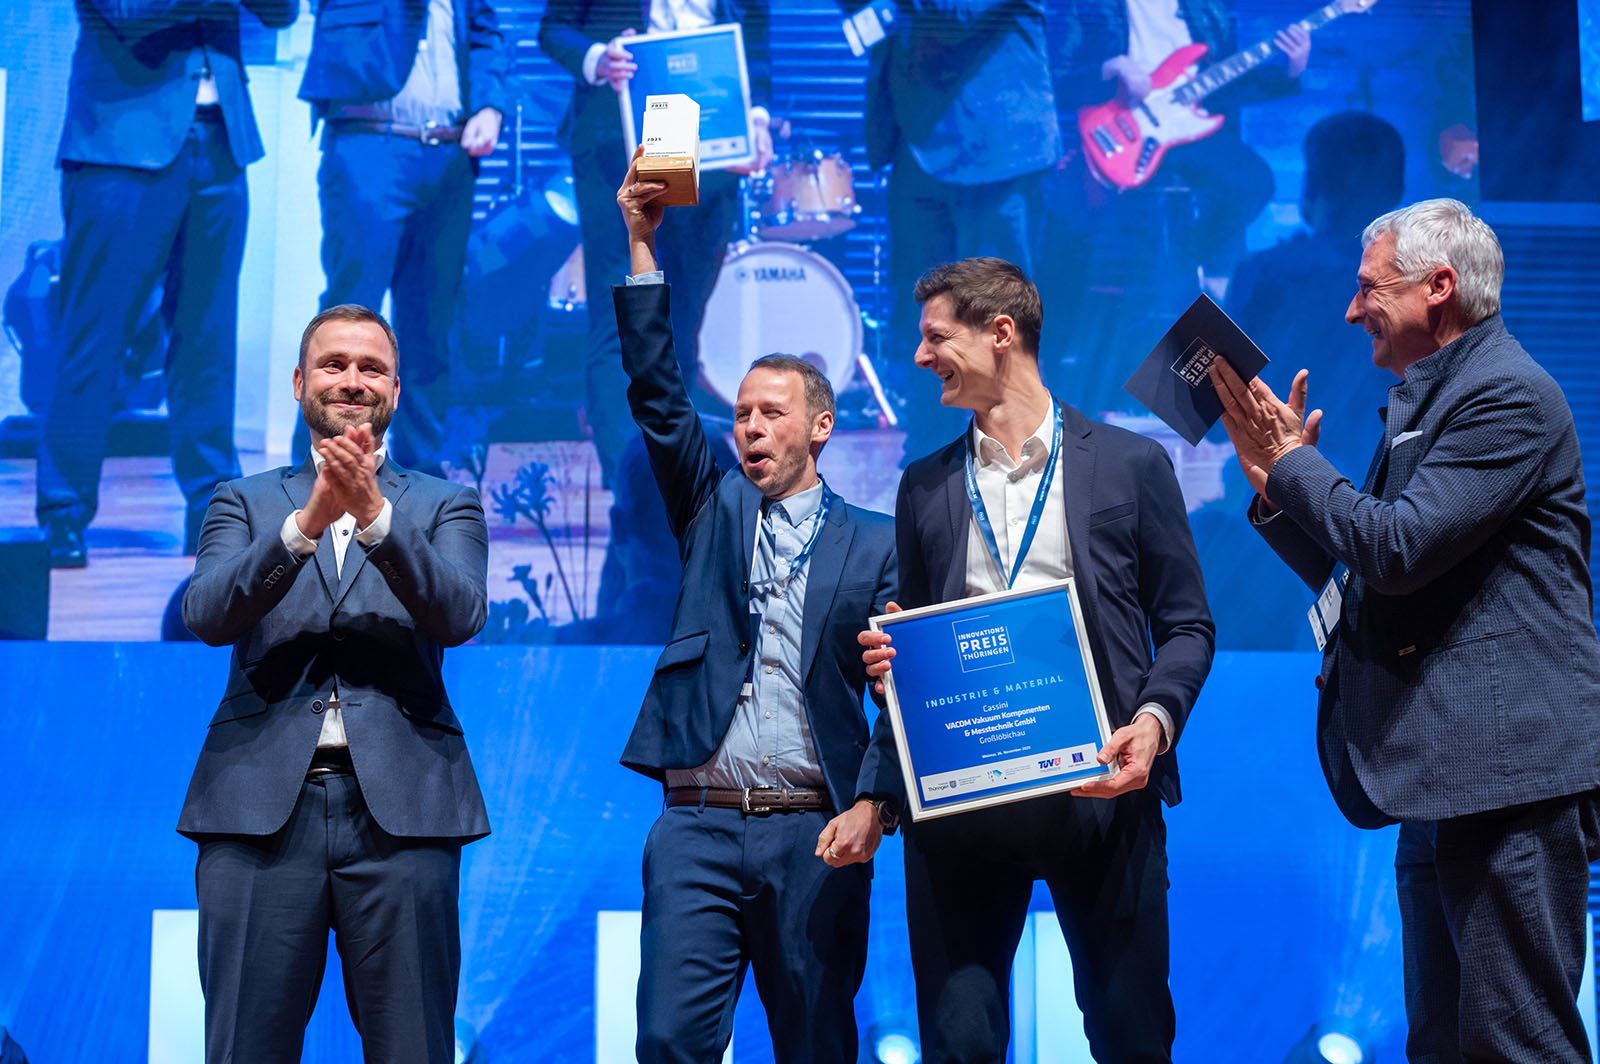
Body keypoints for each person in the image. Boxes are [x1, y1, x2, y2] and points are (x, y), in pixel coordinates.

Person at [1208, 198, 1600, 1062]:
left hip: (1506, 779)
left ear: (1440, 287)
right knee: (1442, 1045)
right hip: (1443, 777)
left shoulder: (1506, 395)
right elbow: (1372, 575)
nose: (1352, 311)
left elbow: (1396, 549)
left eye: (1368, 289)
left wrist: (1296, 465)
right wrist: (1278, 489)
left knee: (1517, 1045)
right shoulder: (1436, 397)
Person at [859, 257, 1215, 1061]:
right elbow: (911, 648)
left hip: (1104, 792)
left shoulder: (1130, 464)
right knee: (960, 1044)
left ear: (1001, 332)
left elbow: (1188, 626)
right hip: (963, 812)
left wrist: (1154, 724)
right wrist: (895, 669)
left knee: (1132, 1040)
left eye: (936, 337)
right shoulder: (923, 487)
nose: (920, 357)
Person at [613, 153, 898, 1063]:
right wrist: (643, 247)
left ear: (820, 426)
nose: (750, 428)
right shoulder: (713, 506)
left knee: (816, 1043)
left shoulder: (877, 542)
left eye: (772, 413)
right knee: (668, 1039)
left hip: (815, 825)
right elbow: (659, 397)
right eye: (741, 414)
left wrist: (877, 803)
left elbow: (899, 694)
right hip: (697, 818)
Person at [179, 304, 491, 1063]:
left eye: (371, 368)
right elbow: (208, 614)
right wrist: (305, 524)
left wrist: (376, 517)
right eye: (334, 364)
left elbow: (459, 614)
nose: (352, 381)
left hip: (405, 816)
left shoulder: (445, 503)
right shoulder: (242, 500)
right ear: (298, 383)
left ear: (396, 390)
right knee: (244, 1049)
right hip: (255, 811)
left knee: (413, 1048)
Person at [36, 0, 296, 568]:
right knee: (95, 336)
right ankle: (63, 509)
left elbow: (282, 12)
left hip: (222, 143)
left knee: (207, 340)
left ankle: (211, 514)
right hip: (118, 144)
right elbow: (130, 10)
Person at [1187, 110, 1405, 650]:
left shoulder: (1265, 273)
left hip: (1272, 506)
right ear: (1397, 192)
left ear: (1313, 185)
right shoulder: (1414, 290)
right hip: (1388, 504)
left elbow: (1207, 405)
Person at [538, 0, 774, 485]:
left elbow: (754, 41)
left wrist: (758, 119)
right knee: (618, 316)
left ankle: (681, 477)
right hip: (618, 141)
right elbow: (554, 28)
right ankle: (628, 484)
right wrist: (598, 58)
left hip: (713, 147)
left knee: (684, 322)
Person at [844, 0, 1062, 464]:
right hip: (916, 136)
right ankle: (931, 451)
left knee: (997, 312)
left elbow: (957, 11)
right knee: (921, 308)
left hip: (994, 145)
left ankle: (1016, 446)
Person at [297, 0, 509, 476]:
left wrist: (490, 106)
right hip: (370, 141)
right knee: (349, 320)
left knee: (431, 324)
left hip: (449, 151)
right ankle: (325, 470)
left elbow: (484, 29)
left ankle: (420, 472)